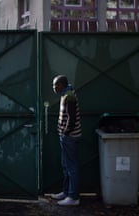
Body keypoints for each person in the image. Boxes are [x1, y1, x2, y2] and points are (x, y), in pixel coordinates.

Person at [51, 75, 82, 206]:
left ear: (63, 84)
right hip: (66, 136)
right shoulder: (66, 94)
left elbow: (72, 118)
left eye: (56, 85)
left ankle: (73, 197)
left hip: (69, 137)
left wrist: (65, 133)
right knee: (66, 165)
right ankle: (66, 192)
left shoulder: (69, 96)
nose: (54, 88)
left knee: (71, 167)